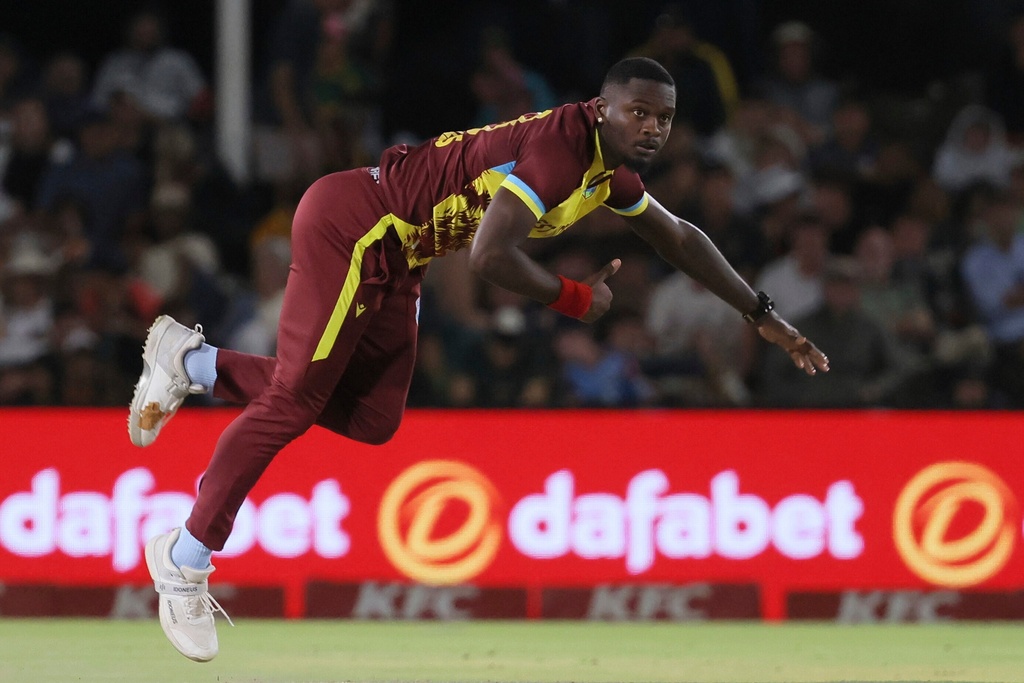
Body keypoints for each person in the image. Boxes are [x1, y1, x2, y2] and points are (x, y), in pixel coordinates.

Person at [127, 57, 829, 662]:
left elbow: (678, 236)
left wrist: (762, 314)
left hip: (402, 254)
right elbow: (491, 256)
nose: (652, 128)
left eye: (664, 118)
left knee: (372, 418)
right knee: (293, 400)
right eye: (638, 113)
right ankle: (186, 557)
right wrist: (576, 298)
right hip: (357, 227)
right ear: (602, 108)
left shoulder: (605, 169)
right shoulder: (560, 153)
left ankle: (195, 363)